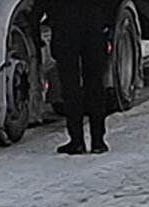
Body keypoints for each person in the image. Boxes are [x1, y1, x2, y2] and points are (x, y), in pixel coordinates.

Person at [42, 0, 116, 154]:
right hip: (93, 23)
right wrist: (106, 22)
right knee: (95, 84)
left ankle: (77, 140)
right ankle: (98, 140)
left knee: (70, 87)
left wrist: (42, 18)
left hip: (66, 26)